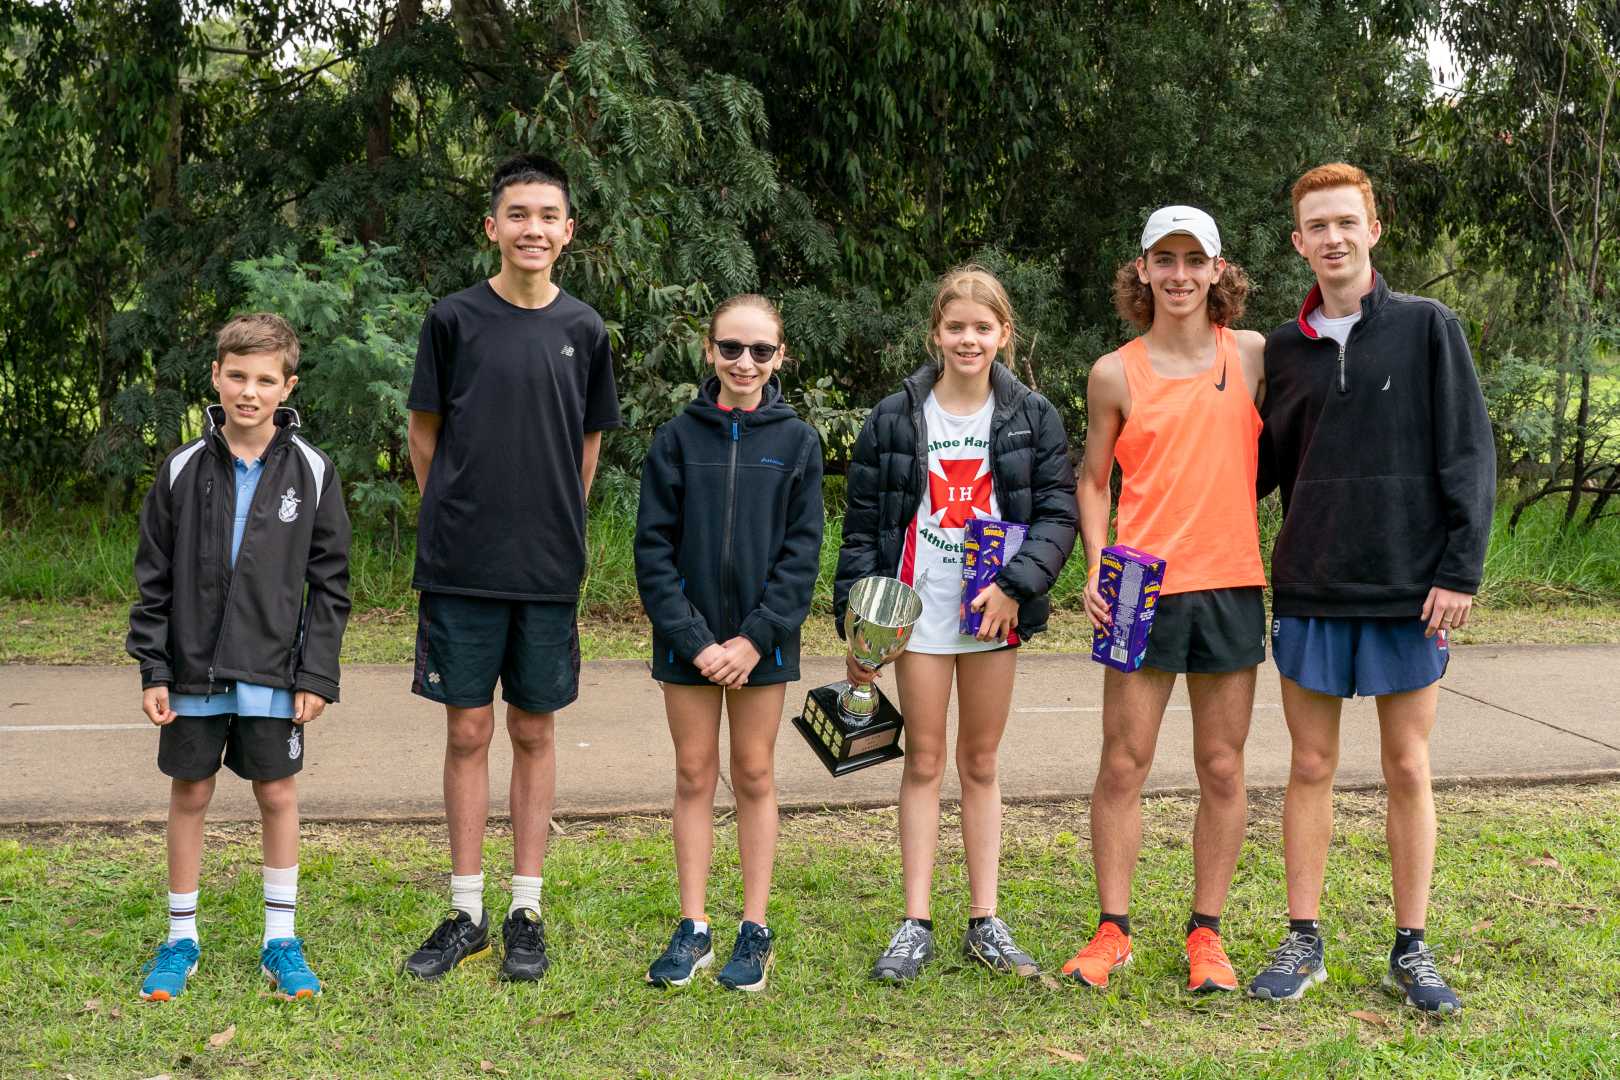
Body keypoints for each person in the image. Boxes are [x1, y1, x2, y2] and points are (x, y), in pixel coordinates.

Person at [1248, 163, 1494, 1014]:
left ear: (1374, 228)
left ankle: (1411, 949)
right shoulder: (1282, 350)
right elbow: (1258, 468)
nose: (1334, 238)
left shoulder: (1430, 328)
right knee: (1309, 764)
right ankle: (1304, 938)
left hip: (1408, 591)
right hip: (1311, 585)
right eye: (1317, 226)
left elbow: (1468, 453)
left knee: (1406, 767)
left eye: (1346, 222)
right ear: (1299, 242)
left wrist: (1460, 568)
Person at [402, 154, 621, 982]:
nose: (533, 228)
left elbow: (588, 444)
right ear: (492, 227)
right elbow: (425, 433)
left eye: (548, 216)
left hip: (546, 566)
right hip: (460, 563)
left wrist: (553, 523)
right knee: (467, 730)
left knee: (532, 728)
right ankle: (467, 911)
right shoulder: (452, 320)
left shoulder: (585, 330)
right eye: (517, 214)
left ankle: (526, 905)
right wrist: (453, 511)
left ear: (568, 232)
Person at [835, 265, 1077, 982]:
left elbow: (1058, 515)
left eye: (982, 327)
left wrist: (1014, 585)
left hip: (990, 610)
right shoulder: (895, 414)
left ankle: (984, 919)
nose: (968, 339)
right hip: (918, 613)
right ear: (935, 333)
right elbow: (863, 528)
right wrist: (860, 625)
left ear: (1005, 334)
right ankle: (915, 923)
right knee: (924, 760)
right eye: (955, 327)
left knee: (980, 762)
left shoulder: (1033, 415)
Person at [1061, 207, 1267, 994]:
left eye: (1194, 260)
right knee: (1124, 763)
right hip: (1138, 588)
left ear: (1219, 271)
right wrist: (1093, 565)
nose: (1179, 274)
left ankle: (1206, 937)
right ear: (1141, 270)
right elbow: (1092, 479)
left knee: (1221, 766)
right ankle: (1112, 930)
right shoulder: (1115, 371)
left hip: (1231, 584)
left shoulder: (1250, 355)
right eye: (1164, 259)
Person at [128, 313, 351, 1002]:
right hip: (192, 671)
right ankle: (180, 939)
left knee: (277, 794)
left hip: (273, 675)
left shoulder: (313, 471)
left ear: (287, 385)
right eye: (237, 376)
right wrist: (154, 666)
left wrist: (315, 673)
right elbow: (153, 579)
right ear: (217, 378)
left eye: (264, 379)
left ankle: (280, 940)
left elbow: (332, 584)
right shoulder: (179, 469)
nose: (248, 392)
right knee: (190, 794)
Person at [633, 294, 825, 992]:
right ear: (709, 351)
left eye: (761, 351)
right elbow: (651, 553)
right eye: (731, 348)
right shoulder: (675, 440)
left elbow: (802, 556)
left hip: (762, 648)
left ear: (781, 357)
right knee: (693, 775)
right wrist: (695, 641)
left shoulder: (798, 442)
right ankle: (694, 927)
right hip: (687, 645)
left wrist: (751, 640)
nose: (745, 363)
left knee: (753, 775)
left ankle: (754, 927)